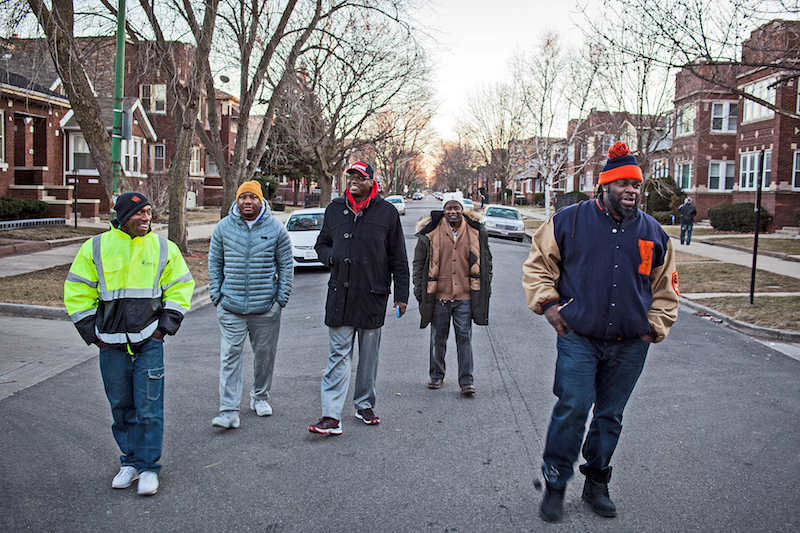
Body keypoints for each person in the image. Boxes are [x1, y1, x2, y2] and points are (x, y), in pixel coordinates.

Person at [522, 142, 679, 522]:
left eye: (636, 185)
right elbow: (538, 265)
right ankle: (556, 483)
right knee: (573, 407)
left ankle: (597, 482)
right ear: (604, 186)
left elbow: (667, 288)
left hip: (630, 344)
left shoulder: (654, 233)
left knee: (610, 415)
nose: (631, 190)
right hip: (579, 337)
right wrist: (549, 304)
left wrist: (652, 328)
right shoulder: (568, 221)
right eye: (623, 183)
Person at [64, 192, 194, 496]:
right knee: (121, 407)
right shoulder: (95, 247)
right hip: (110, 346)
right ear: (123, 216)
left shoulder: (164, 248)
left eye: (149, 212)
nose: (146, 218)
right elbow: (77, 291)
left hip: (149, 341)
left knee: (149, 408)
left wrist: (164, 329)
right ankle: (130, 462)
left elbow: (180, 286)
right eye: (140, 213)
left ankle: (149, 467)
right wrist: (92, 334)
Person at [308, 161, 410, 435]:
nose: (353, 180)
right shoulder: (334, 209)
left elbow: (398, 257)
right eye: (350, 176)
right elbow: (322, 243)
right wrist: (330, 257)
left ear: (371, 182)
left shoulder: (387, 213)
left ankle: (364, 404)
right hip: (340, 294)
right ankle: (330, 415)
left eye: (359, 176)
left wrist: (402, 295)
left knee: (368, 357)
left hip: (372, 295)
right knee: (338, 356)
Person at [208, 181, 294, 429]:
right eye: (243, 197)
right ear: (237, 200)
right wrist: (217, 297)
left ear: (261, 201)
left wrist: (280, 300)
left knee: (265, 356)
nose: (248, 202)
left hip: (265, 307)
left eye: (252, 198)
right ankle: (228, 411)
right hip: (231, 306)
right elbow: (214, 264)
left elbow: (286, 267)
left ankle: (260, 397)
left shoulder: (276, 229)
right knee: (229, 357)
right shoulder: (223, 228)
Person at [412, 191, 492, 395]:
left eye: (456, 207)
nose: (453, 211)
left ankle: (466, 381)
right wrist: (419, 292)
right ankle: (436, 376)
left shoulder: (476, 231)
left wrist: (486, 287)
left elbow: (486, 263)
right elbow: (418, 264)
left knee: (464, 338)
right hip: (439, 297)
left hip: (465, 297)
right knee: (438, 339)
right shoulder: (430, 232)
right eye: (449, 208)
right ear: (444, 209)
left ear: (462, 209)